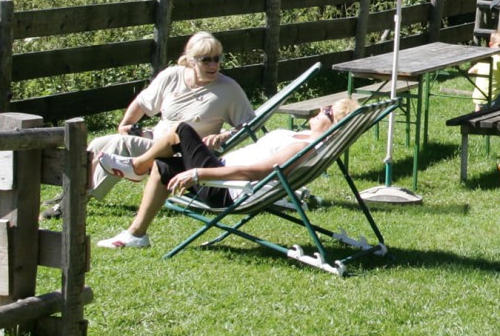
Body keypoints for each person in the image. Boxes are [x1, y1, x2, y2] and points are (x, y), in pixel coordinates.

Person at [95, 97, 359, 249]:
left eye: (327, 111)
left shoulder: (304, 147)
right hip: (221, 174)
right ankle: (136, 234)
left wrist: (199, 173)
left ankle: (136, 167)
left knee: (181, 130)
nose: (319, 110)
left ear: (335, 126)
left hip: (226, 188)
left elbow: (260, 172)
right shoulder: (302, 137)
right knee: (164, 167)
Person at [45, 32, 255, 219]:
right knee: (100, 143)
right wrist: (126, 123)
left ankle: (73, 205)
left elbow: (249, 124)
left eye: (217, 59)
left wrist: (225, 135)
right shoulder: (173, 76)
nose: (213, 65)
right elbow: (143, 102)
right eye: (206, 60)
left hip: (182, 155)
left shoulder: (228, 89)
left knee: (117, 146)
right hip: (155, 140)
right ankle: (69, 191)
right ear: (191, 61)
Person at [469, 29, 500, 110]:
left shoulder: (484, 59)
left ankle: (478, 110)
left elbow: (470, 71)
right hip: (493, 100)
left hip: (478, 99)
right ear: (491, 45)